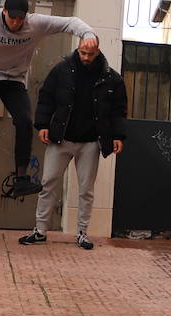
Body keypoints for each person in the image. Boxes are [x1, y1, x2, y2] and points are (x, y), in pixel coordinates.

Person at [0, 0, 94, 196]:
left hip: (13, 79)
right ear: (4, 12)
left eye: (20, 19)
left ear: (26, 16)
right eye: (11, 18)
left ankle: (22, 178)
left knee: (24, 121)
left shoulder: (36, 23)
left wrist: (88, 34)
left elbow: (70, 23)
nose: (15, 23)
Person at [18, 34, 127, 250]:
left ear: (98, 51)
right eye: (82, 53)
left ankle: (82, 233)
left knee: (86, 190)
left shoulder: (112, 78)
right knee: (48, 183)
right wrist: (43, 125)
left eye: (90, 54)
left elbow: (119, 110)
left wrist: (118, 136)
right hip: (61, 138)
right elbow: (46, 97)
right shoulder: (62, 70)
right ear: (77, 49)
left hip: (90, 142)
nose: (86, 57)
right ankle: (40, 230)